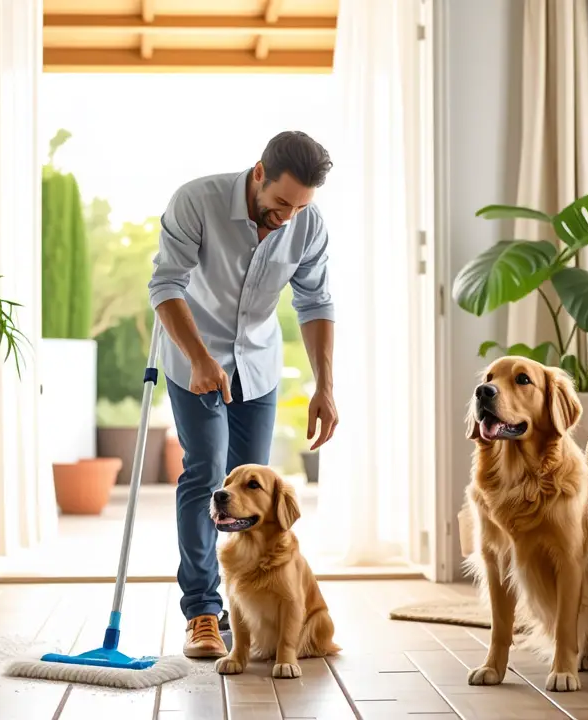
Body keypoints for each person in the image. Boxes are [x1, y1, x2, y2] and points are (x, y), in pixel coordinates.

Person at [148, 130, 339, 659]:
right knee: (207, 472)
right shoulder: (196, 201)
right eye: (281, 202)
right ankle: (203, 613)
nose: (288, 216)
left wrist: (325, 386)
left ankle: (244, 612)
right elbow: (166, 285)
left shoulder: (307, 225)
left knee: (249, 490)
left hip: (257, 364)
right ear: (259, 174)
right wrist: (198, 358)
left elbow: (315, 302)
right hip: (194, 356)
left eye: (300, 207)